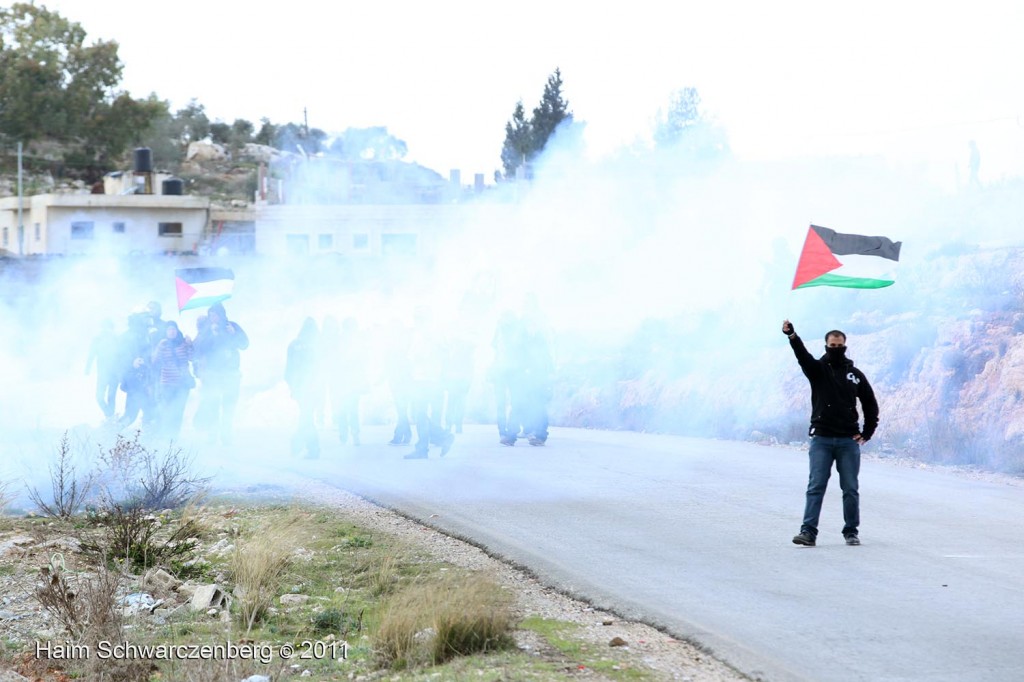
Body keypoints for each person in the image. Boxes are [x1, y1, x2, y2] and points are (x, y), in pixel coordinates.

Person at [783, 320, 879, 547]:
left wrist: (867, 432)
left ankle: (851, 532)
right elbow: (802, 356)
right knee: (816, 486)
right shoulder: (817, 371)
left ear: (845, 346)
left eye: (839, 346)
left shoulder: (855, 375)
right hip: (822, 439)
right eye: (832, 345)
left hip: (848, 440)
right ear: (826, 346)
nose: (836, 349)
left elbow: (870, 404)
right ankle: (808, 532)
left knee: (850, 489)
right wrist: (792, 336)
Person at [192, 302, 249, 445]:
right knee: (213, 404)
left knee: (229, 406)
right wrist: (210, 334)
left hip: (231, 373)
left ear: (221, 315)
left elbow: (244, 344)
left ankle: (226, 434)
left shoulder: (232, 326)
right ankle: (212, 434)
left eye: (215, 315)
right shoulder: (206, 330)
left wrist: (233, 334)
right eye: (211, 315)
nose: (213, 318)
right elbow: (198, 348)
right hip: (213, 374)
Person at [150, 321, 194, 439]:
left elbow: (192, 358)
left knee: (179, 410)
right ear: (166, 332)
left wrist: (190, 344)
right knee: (167, 410)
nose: (171, 331)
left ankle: (174, 437)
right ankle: (166, 435)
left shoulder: (183, 343)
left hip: (182, 383)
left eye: (173, 329)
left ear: (177, 330)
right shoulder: (163, 345)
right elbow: (155, 361)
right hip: (167, 383)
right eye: (169, 329)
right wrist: (159, 347)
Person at [286, 317, 323, 459]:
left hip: (301, 387)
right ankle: (308, 447)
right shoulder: (318, 346)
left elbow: (288, 370)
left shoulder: (294, 345)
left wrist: (292, 385)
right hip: (311, 387)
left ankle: (301, 445)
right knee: (306, 417)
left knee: (306, 417)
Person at [85, 318, 120, 420]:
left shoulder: (116, 339)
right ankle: (109, 414)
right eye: (104, 327)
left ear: (112, 328)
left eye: (108, 327)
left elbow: (122, 355)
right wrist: (87, 368)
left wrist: (122, 371)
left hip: (115, 373)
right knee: (99, 397)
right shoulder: (97, 339)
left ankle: (110, 417)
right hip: (103, 373)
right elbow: (91, 354)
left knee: (111, 396)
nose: (106, 330)